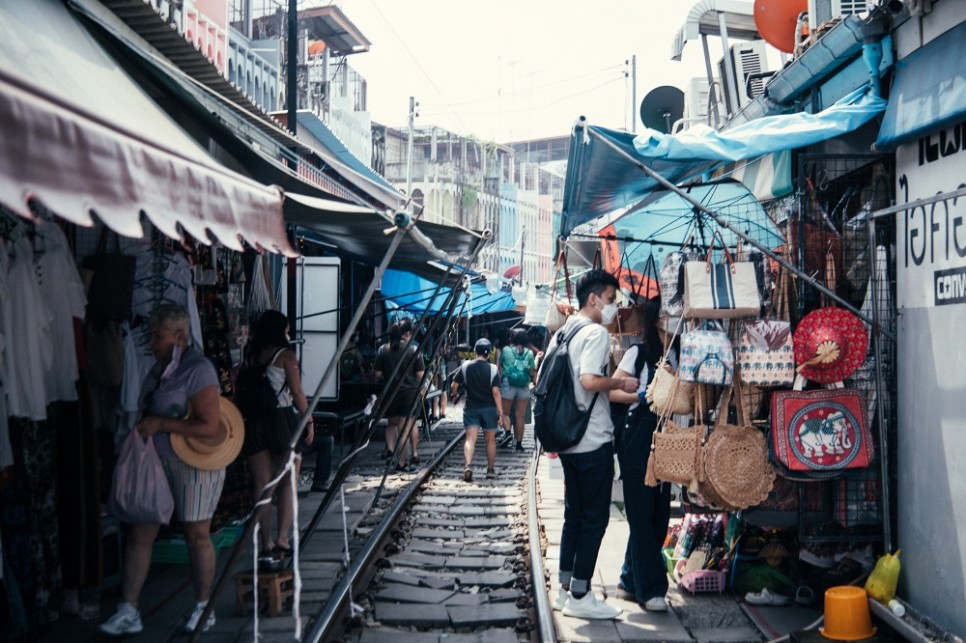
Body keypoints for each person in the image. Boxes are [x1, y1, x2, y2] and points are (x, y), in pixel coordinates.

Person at [100, 305, 225, 636]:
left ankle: (202, 608)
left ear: (179, 337)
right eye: (150, 334)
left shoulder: (198, 370)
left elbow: (211, 426)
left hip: (194, 463)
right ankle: (128, 610)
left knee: (197, 534)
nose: (151, 341)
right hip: (156, 463)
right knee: (141, 532)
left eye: (157, 335)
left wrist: (160, 423)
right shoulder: (158, 370)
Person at [548, 269, 639, 620]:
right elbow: (588, 380)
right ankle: (582, 595)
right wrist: (621, 383)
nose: (614, 308)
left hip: (569, 439)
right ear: (593, 299)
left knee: (574, 514)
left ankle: (565, 588)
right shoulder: (595, 332)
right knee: (594, 517)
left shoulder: (565, 331)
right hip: (591, 440)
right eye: (612, 300)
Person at [609, 300, 674, 612]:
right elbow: (612, 391)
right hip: (638, 439)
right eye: (667, 314)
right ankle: (651, 590)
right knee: (640, 514)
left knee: (658, 515)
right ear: (656, 320)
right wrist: (641, 394)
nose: (673, 319)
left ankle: (627, 580)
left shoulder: (679, 353)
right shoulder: (638, 353)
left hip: (669, 441)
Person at [240, 310, 314, 567]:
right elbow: (296, 392)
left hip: (254, 422)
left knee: (261, 483)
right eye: (286, 328)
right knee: (288, 481)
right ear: (280, 330)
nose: (289, 332)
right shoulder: (286, 357)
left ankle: (266, 541)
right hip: (281, 420)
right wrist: (309, 420)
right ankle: (283, 537)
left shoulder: (251, 356)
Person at [451, 338, 506, 481]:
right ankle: (490, 470)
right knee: (490, 441)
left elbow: (454, 385)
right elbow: (496, 392)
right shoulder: (493, 369)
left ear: (475, 351)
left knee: (470, 439)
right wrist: (500, 413)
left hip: (471, 407)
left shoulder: (465, 366)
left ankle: (468, 465)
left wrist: (454, 395)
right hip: (489, 408)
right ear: (489, 354)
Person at [374, 319, 425, 471]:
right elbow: (421, 374)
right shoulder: (414, 349)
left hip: (389, 393)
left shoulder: (383, 350)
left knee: (391, 424)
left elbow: (377, 374)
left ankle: (390, 451)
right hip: (408, 394)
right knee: (404, 429)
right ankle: (401, 462)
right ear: (407, 333)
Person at [497, 328, 536, 451]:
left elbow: (499, 368)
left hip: (508, 384)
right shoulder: (529, 353)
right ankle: (519, 444)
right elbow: (531, 371)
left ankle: (508, 432)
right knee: (520, 416)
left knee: (505, 413)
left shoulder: (506, 350)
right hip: (523, 386)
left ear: (512, 338)